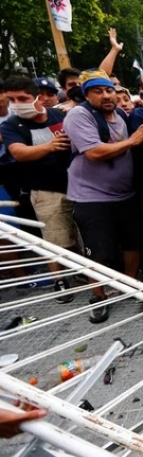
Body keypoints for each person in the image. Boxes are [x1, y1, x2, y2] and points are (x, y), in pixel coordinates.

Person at [64, 69, 143, 323]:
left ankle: (130, 284)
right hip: (92, 198)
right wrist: (131, 142)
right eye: (98, 91)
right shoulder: (79, 115)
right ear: (86, 94)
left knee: (133, 242)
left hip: (125, 194)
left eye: (109, 89)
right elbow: (94, 152)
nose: (106, 95)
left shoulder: (120, 115)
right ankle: (98, 296)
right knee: (98, 249)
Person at [1, 76, 75, 301]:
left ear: (39, 98)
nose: (16, 103)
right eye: (11, 99)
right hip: (45, 189)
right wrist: (49, 146)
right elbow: (18, 152)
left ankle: (83, 274)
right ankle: (59, 280)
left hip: (75, 183)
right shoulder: (12, 125)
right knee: (54, 237)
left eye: (22, 98)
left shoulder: (58, 115)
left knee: (78, 235)